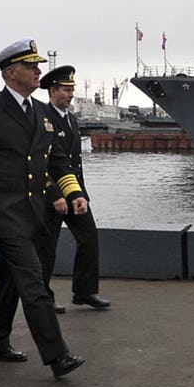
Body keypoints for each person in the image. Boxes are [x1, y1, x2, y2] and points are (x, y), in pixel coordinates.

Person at [0, 39, 83, 380]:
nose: (39, 71)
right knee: (33, 281)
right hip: (2, 212)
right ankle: (58, 356)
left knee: (11, 279)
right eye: (32, 66)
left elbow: (55, 158)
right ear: (11, 73)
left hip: (32, 212)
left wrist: (73, 192)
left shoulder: (41, 111)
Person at [35, 65, 110, 312]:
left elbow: (73, 161)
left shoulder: (71, 118)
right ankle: (44, 296)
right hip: (52, 196)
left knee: (89, 238)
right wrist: (55, 193)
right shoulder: (42, 117)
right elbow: (40, 161)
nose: (70, 94)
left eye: (72, 89)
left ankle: (85, 291)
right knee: (46, 247)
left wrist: (79, 193)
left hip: (75, 192)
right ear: (52, 91)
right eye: (66, 90)